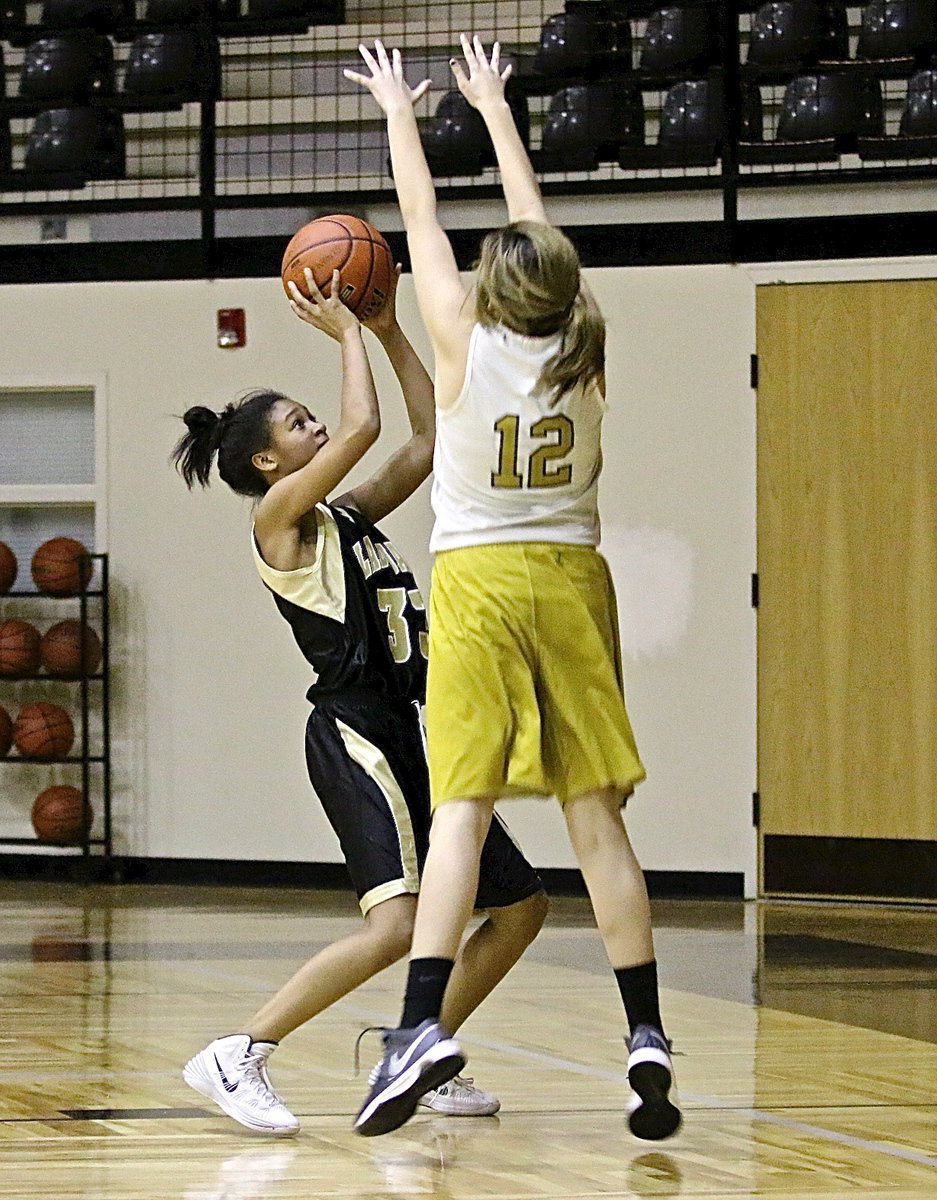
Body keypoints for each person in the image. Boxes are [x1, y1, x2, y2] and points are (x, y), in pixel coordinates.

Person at [345, 36, 682, 1142]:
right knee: (596, 826)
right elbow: (542, 242)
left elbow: (419, 217)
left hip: (482, 578)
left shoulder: (457, 333)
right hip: (573, 578)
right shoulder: (584, 341)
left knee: (460, 813)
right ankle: (644, 1036)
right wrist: (498, 111)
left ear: (495, 285)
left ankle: (415, 1029)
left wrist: (406, 108)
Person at [171, 262, 548, 1136]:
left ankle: (419, 1042)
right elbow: (367, 421)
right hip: (354, 734)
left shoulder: (344, 517)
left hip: (413, 731)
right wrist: (344, 330)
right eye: (300, 424)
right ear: (269, 461)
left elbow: (426, 438)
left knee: (521, 908)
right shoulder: (278, 523)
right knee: (396, 927)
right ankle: (239, 1052)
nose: (319, 428)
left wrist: (386, 329)